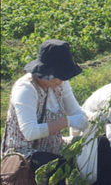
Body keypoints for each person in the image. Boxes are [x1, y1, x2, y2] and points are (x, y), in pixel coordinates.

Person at [0, 39, 88, 185]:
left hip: (54, 147)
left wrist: (86, 120)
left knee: (98, 145)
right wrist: (66, 122)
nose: (62, 80)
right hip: (26, 153)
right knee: (53, 166)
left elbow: (76, 112)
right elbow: (30, 132)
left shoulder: (60, 83)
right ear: (47, 72)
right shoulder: (26, 89)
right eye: (59, 75)